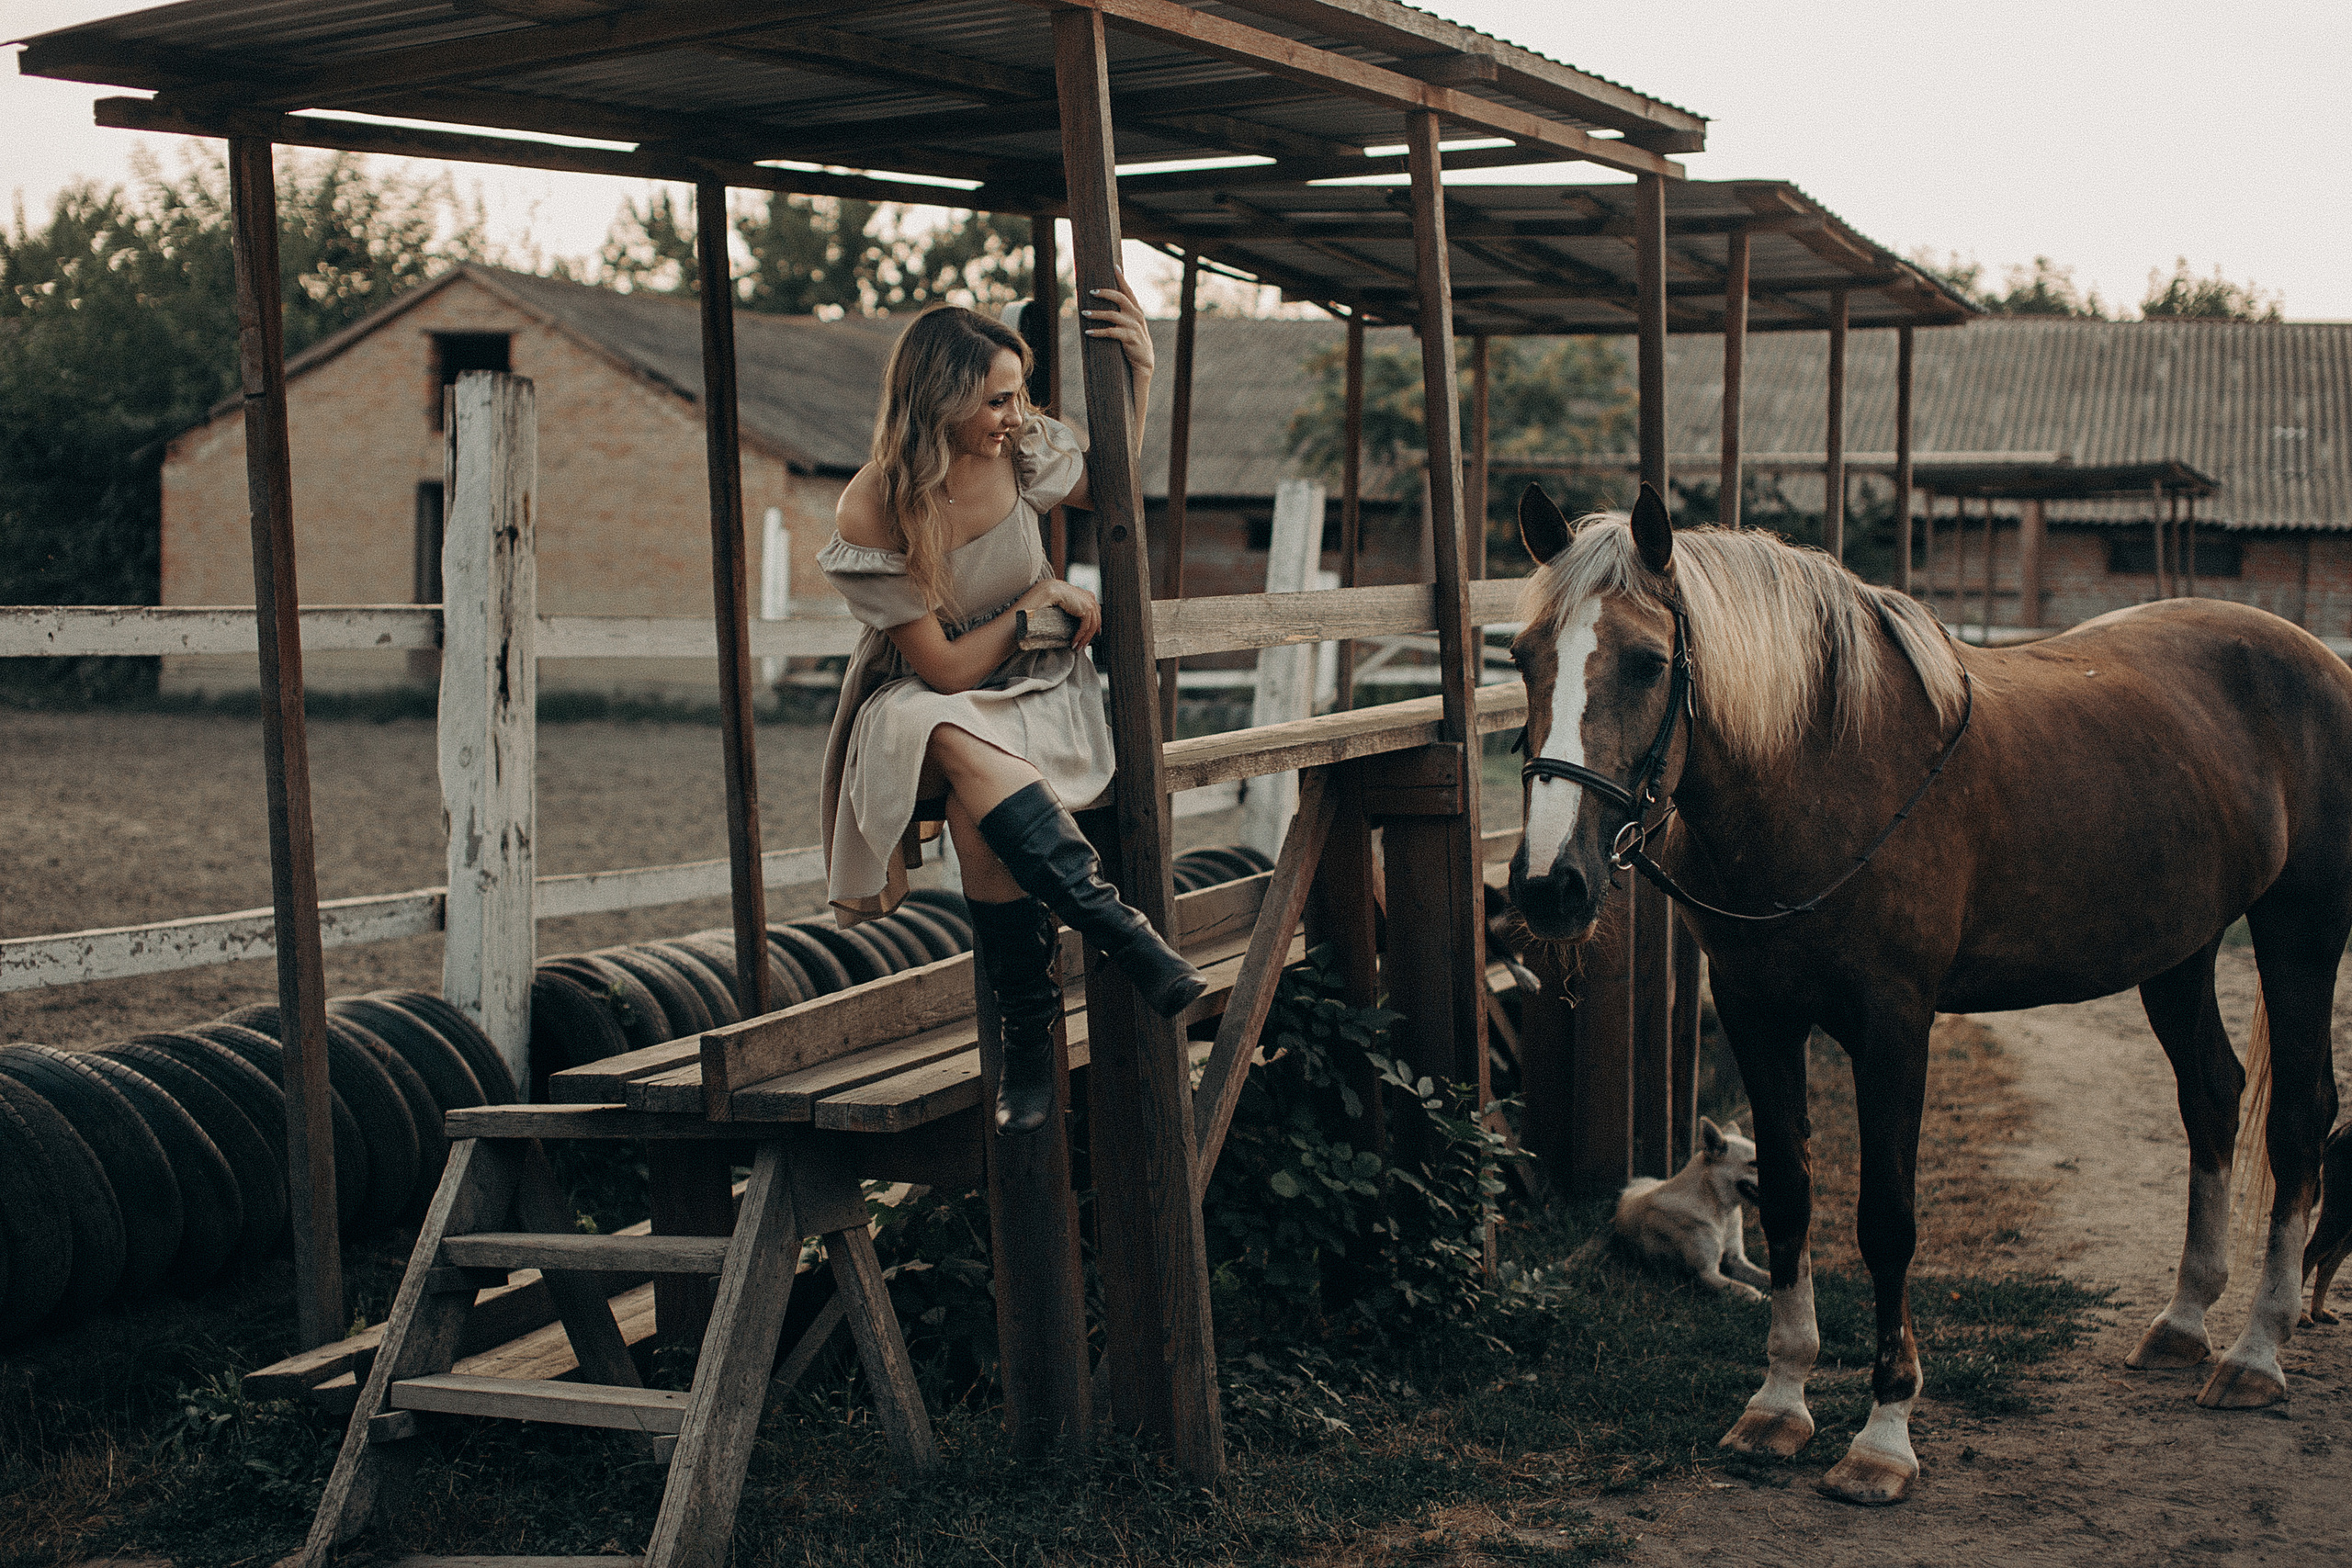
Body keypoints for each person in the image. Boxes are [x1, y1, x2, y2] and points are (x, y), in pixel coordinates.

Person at [818, 281, 1204, 1136]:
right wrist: (1028, 611)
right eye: (997, 398)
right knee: (936, 722)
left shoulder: (1016, 449)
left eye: (1016, 394)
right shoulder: (874, 503)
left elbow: (1108, 490)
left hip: (1034, 689)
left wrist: (1139, 373)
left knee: (972, 814)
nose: (1014, 413)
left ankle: (1032, 1034)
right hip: (924, 697)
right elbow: (946, 669)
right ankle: (1117, 928)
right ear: (944, 398)